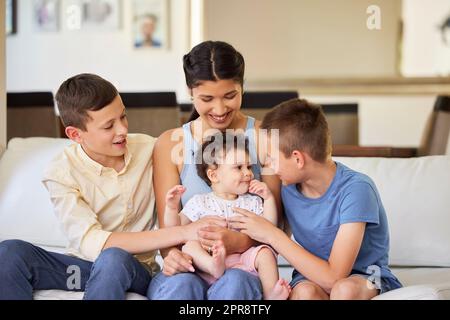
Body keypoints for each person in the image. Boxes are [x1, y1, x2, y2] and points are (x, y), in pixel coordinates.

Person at [0, 73, 224, 300]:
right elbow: (90, 243)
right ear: (75, 134)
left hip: (134, 271)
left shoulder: (152, 149)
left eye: (123, 117)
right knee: (10, 252)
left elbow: (202, 147)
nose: (122, 130)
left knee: (114, 258)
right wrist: (182, 232)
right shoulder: (60, 171)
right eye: (109, 126)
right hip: (80, 272)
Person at [229, 99, 403, 300]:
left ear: (297, 159)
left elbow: (335, 277)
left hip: (370, 276)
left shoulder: (357, 190)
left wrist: (272, 235)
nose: (268, 166)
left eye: (272, 158)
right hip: (311, 277)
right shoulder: (288, 187)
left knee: (344, 290)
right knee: (304, 292)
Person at [149, 41, 283, 300]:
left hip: (242, 267)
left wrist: (236, 242)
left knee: (234, 284)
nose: (220, 110)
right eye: (207, 99)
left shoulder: (266, 138)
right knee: (181, 286)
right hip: (190, 265)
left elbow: (275, 226)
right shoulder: (170, 143)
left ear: (242, 87)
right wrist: (173, 257)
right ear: (190, 92)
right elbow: (169, 233)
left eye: (230, 96)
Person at [164, 132, 291, 300]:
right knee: (189, 246)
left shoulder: (251, 202)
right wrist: (171, 208)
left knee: (265, 252)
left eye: (249, 167)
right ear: (214, 175)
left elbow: (268, 229)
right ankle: (213, 266)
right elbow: (175, 230)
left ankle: (271, 294)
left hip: (242, 261)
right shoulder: (200, 202)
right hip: (206, 262)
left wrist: (268, 199)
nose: (248, 173)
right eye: (239, 168)